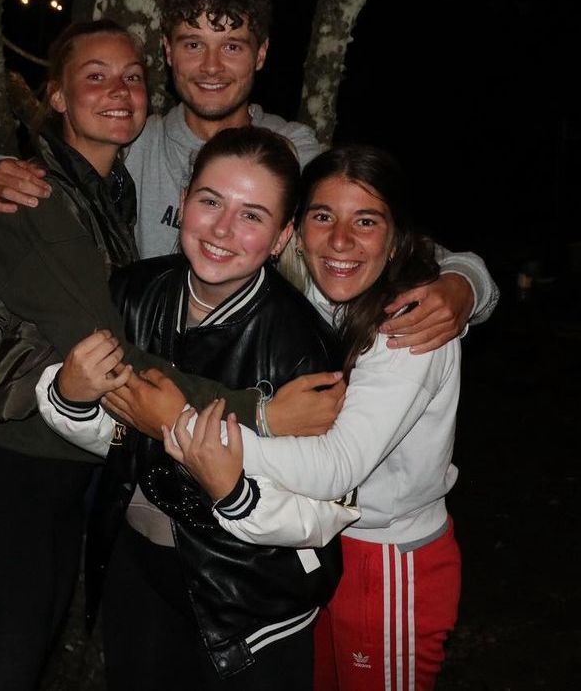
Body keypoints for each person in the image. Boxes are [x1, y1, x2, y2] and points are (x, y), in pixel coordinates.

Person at [0, 21, 339, 691]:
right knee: (2, 667)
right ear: (56, 97)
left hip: (69, 474)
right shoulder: (34, 201)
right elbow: (112, 357)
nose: (119, 90)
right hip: (6, 473)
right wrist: (260, 412)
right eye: (95, 76)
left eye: (131, 77)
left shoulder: (108, 194)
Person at [0, 0, 498, 355]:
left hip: (259, 386)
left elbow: (380, 235)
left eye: (232, 46)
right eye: (193, 44)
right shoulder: (135, 142)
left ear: (260, 54)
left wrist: (464, 286)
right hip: (143, 391)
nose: (211, 67)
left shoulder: (292, 152)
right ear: (168, 52)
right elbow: (53, 176)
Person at [36, 127, 356, 690]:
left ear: (281, 237)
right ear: (182, 202)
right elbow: (117, 434)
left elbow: (328, 509)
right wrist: (71, 396)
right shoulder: (131, 293)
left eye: (252, 215)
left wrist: (231, 486)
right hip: (139, 568)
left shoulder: (303, 346)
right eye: (210, 201)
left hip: (250, 599)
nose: (222, 229)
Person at [158, 144, 464, 691]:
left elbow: (336, 467)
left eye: (365, 221)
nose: (340, 240)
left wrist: (193, 431)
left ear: (395, 239)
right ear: (295, 233)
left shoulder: (411, 329)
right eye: (324, 216)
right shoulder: (314, 296)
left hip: (386, 559)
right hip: (315, 548)